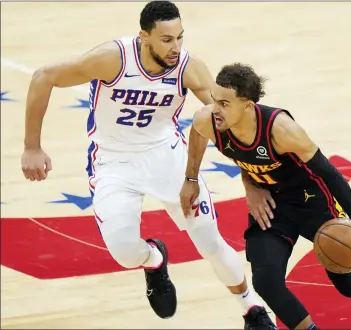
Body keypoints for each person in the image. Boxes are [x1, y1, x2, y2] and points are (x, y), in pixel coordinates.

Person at [20, 2, 277, 329]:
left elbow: (226, 121)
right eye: (167, 39)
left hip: (166, 157)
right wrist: (32, 146)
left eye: (180, 38)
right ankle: (154, 259)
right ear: (144, 36)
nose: (176, 47)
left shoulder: (188, 68)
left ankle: (251, 308)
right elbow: (44, 77)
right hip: (113, 163)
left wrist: (251, 178)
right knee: (125, 253)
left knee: (210, 242)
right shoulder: (113, 59)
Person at [179, 62, 351, 330]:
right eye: (215, 99)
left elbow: (329, 173)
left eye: (224, 103)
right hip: (272, 204)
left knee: (350, 284)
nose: (215, 108)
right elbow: (197, 132)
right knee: (266, 282)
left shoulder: (282, 130)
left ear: (248, 106)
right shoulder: (209, 120)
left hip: (311, 200)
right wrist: (192, 178)